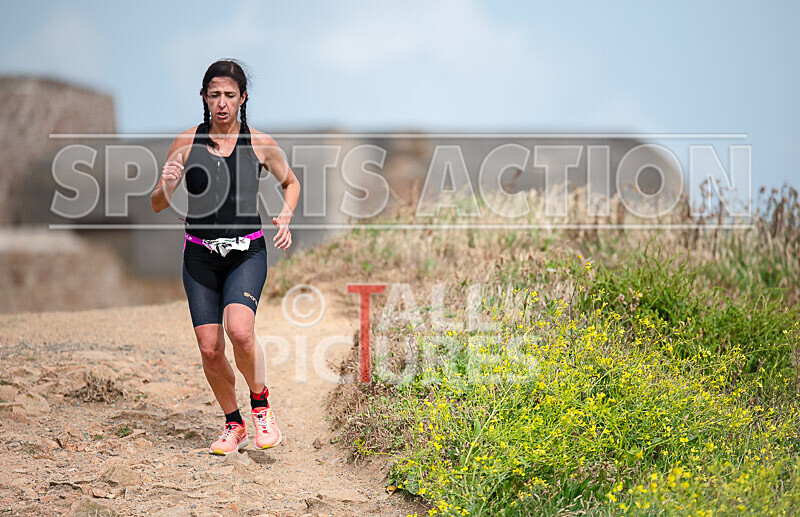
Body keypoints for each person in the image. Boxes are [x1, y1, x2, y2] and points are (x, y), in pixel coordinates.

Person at [150, 59, 300, 455]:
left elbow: (291, 182)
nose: (221, 103)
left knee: (240, 331)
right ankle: (234, 424)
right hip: (200, 256)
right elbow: (156, 205)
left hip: (246, 252)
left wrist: (285, 216)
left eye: (229, 95)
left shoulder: (260, 143)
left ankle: (261, 405)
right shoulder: (185, 143)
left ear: (243, 98)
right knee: (209, 347)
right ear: (203, 96)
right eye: (214, 94)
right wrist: (166, 187)